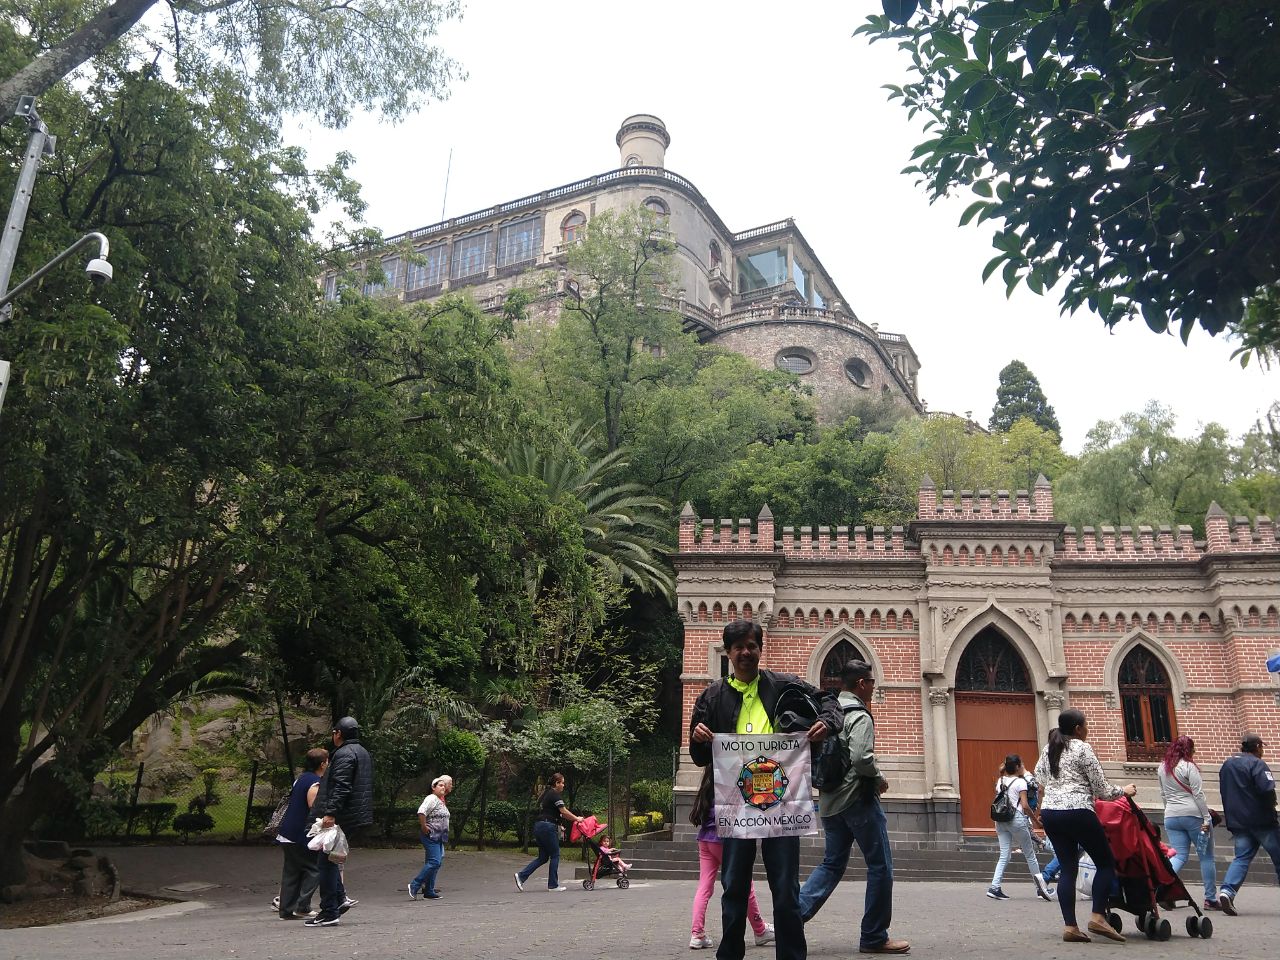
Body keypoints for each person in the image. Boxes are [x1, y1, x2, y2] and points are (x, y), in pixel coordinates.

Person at [689, 618, 842, 960]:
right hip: (734, 807)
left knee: (786, 890)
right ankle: (730, 954)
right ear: (728, 652)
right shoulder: (712, 697)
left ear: (760, 649)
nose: (746, 652)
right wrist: (698, 738)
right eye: (739, 647)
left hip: (783, 806)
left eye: (752, 646)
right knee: (734, 887)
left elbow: (830, 702)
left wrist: (826, 723)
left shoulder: (784, 686)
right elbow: (700, 756)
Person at [796, 659, 908, 954]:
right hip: (858, 800)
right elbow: (861, 759)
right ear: (861, 684)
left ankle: (791, 918)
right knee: (880, 866)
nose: (873, 686)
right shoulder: (860, 716)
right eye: (871, 682)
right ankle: (874, 936)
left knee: (831, 864)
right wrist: (880, 778)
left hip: (830, 802)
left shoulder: (830, 712)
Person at [1034, 708, 1136, 944]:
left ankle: (1071, 926)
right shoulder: (1082, 748)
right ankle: (1098, 917)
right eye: (1086, 725)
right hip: (1078, 811)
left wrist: (1041, 809)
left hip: (1051, 813)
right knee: (1106, 863)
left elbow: (1039, 782)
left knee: (1068, 868)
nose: (1087, 729)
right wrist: (1125, 791)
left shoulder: (1048, 748)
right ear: (1078, 728)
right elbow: (1102, 790)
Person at [688, 767, 775, 951]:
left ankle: (697, 934)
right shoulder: (727, 784)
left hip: (704, 840)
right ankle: (760, 930)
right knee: (744, 882)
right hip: (724, 840)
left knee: (704, 887)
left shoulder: (706, 786)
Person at [306, 716, 374, 928]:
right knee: (332, 860)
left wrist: (331, 813)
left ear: (338, 734)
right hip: (355, 815)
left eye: (334, 732)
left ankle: (329, 911)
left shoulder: (344, 754)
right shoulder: (362, 752)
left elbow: (342, 786)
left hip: (342, 816)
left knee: (325, 863)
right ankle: (339, 900)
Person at [1216, 733, 1279, 915]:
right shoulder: (1257, 764)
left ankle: (1227, 891)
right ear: (1257, 747)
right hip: (1262, 821)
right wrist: (1272, 808)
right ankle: (1228, 892)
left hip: (1237, 821)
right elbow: (1267, 789)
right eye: (1262, 747)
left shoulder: (1227, 764)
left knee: (1242, 858)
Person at [1156, 736, 1219, 912]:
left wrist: (1170, 811)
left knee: (1178, 855)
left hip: (1171, 816)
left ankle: (1163, 889)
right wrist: (1206, 817)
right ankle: (1210, 899)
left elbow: (1163, 794)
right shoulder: (1189, 767)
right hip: (1193, 816)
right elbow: (1198, 794)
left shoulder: (1162, 767)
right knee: (1206, 857)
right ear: (1188, 750)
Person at [987, 754, 1053, 902]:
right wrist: (1036, 821)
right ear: (1017, 766)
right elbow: (1024, 806)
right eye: (1021, 764)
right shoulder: (1020, 783)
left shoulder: (1000, 780)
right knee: (1030, 855)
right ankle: (1040, 888)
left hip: (1000, 820)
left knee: (1004, 854)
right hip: (1016, 819)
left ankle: (994, 887)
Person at [274, 748, 328, 919]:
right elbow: (314, 808)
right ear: (322, 764)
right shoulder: (314, 783)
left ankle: (286, 909)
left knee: (292, 871)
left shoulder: (301, 779)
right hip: (299, 834)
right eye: (327, 761)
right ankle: (302, 905)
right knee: (315, 869)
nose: (329, 764)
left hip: (286, 833)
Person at [515, 771, 583, 892]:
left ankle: (521, 876)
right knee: (555, 855)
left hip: (539, 826)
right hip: (547, 827)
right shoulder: (555, 795)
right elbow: (564, 811)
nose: (563, 785)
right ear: (556, 783)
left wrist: (559, 824)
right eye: (562, 783)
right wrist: (577, 818)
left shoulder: (547, 794)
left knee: (543, 857)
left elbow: (552, 812)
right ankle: (553, 885)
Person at [409, 774, 453, 900]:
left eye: (444, 786)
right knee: (435, 862)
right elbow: (421, 811)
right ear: (433, 787)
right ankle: (415, 884)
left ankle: (429, 890)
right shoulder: (431, 798)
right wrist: (423, 826)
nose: (443, 788)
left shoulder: (440, 801)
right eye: (440, 785)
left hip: (439, 837)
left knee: (435, 863)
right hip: (431, 835)